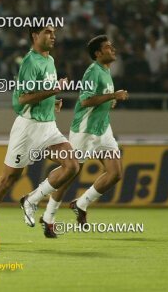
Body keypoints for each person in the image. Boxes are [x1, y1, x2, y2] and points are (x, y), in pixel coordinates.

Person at [0, 25, 80, 240]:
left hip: (48, 125)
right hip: (28, 128)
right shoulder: (30, 62)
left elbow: (41, 93)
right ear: (35, 36)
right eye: (48, 32)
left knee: (72, 165)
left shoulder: (49, 60)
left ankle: (31, 200)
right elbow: (24, 98)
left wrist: (52, 102)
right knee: (7, 180)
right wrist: (54, 90)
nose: (53, 36)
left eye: (54, 33)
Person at [40, 35, 128, 237]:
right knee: (69, 173)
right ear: (98, 53)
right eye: (108, 47)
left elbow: (99, 100)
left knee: (115, 173)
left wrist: (109, 102)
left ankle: (81, 204)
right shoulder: (92, 72)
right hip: (85, 131)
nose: (112, 49)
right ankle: (48, 217)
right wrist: (113, 96)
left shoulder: (106, 71)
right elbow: (86, 101)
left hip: (103, 131)